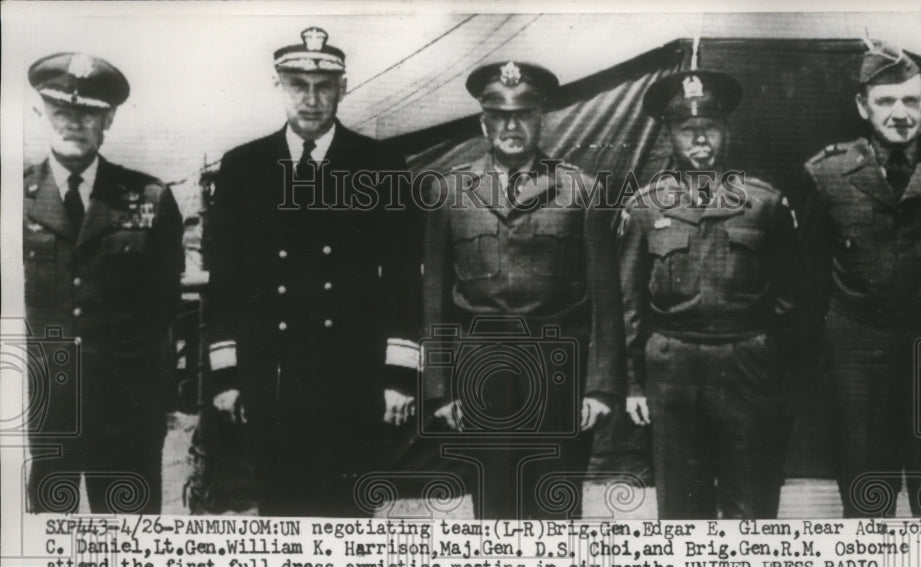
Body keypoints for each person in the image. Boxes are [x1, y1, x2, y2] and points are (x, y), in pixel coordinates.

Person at [206, 27, 422, 517]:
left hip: (353, 378)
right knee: (280, 511)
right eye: (297, 84)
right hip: (271, 379)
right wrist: (227, 376)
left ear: (343, 88)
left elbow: (405, 277)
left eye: (323, 86)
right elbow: (226, 281)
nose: (311, 98)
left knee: (348, 514)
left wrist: (399, 377)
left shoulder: (380, 164)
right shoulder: (244, 166)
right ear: (279, 86)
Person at [421, 61, 622, 519]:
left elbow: (606, 304)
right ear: (483, 121)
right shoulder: (450, 192)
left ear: (541, 118)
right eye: (500, 115)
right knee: (493, 511)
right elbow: (433, 301)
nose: (512, 126)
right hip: (481, 376)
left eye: (524, 114)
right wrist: (438, 389)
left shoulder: (581, 190)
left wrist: (601, 388)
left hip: (559, 374)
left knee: (556, 511)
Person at [617, 69, 801, 518]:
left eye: (711, 129)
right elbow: (630, 303)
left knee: (752, 501)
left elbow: (792, 294)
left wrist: (769, 356)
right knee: (682, 504)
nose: (701, 141)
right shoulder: (645, 207)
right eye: (688, 130)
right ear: (670, 136)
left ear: (726, 132)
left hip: (747, 362)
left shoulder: (763, 203)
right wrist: (635, 383)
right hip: (675, 365)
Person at [800, 42, 921, 517]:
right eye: (886, 101)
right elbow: (809, 278)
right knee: (866, 497)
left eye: (911, 101)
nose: (900, 114)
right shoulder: (828, 174)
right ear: (862, 106)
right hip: (859, 355)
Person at [23, 52, 183, 514]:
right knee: (47, 550)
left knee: (129, 546)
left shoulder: (148, 197)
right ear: (41, 113)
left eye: (88, 112)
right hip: (45, 407)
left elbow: (163, 309)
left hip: (125, 409)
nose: (73, 122)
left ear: (108, 117)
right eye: (61, 110)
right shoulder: (14, 198)